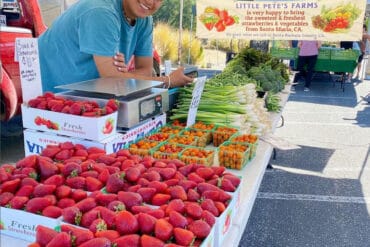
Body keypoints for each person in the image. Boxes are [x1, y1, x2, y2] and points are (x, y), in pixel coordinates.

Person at [38, 0, 193, 93]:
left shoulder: (145, 21)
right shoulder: (101, 11)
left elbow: (146, 70)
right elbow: (111, 78)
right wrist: (168, 81)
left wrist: (123, 76)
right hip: (54, 94)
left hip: (89, 95)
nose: (151, 2)